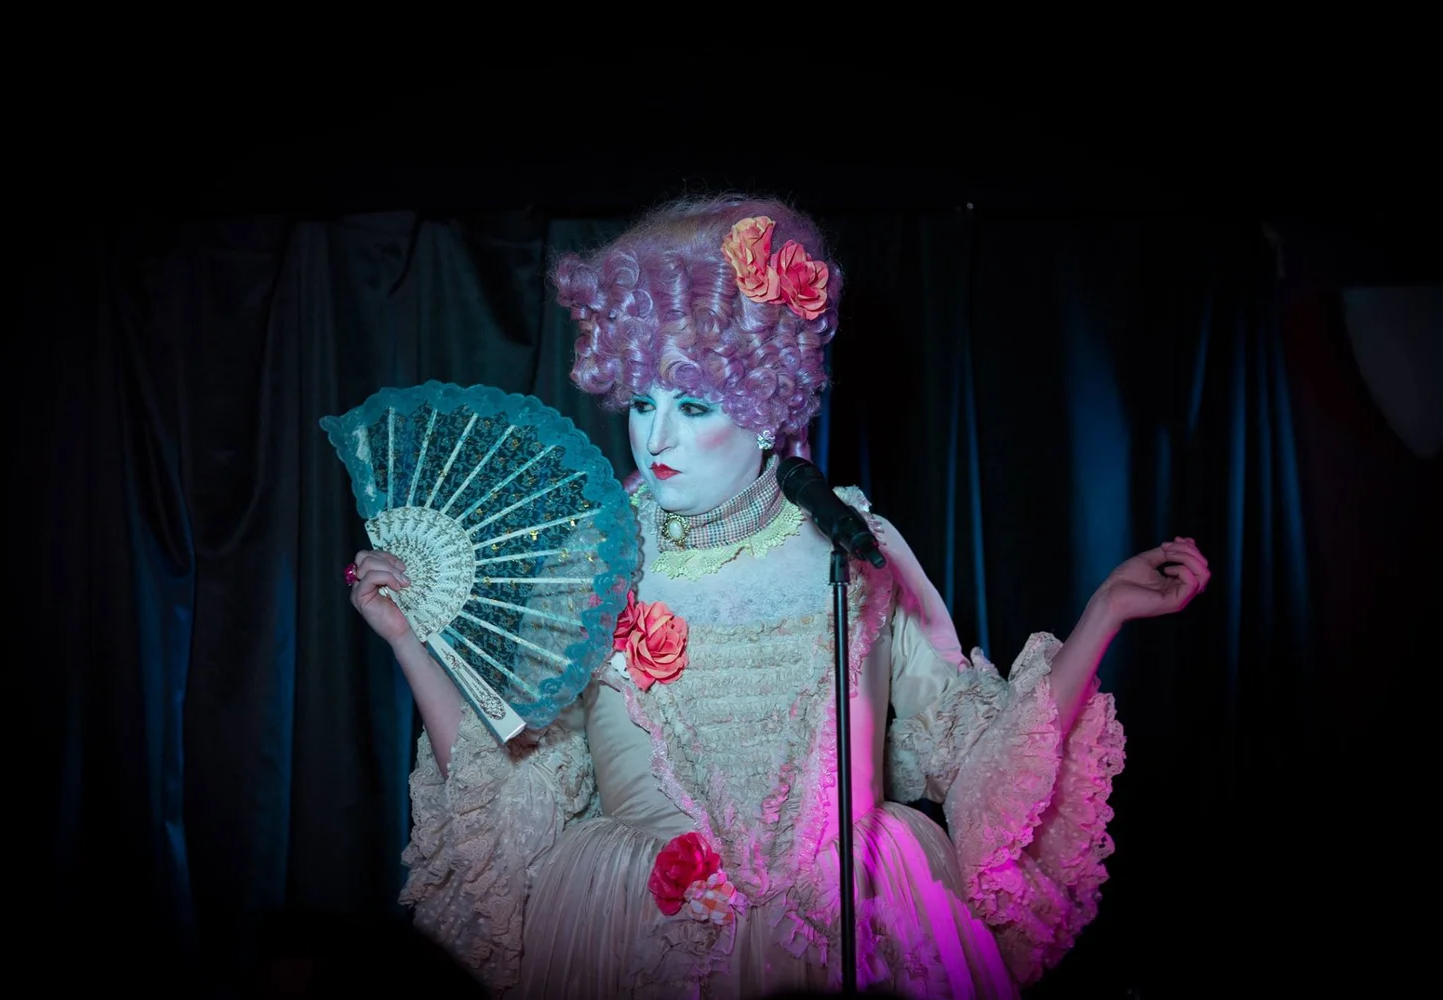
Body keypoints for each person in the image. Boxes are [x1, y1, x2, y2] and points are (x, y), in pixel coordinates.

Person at [344, 195, 1211, 998]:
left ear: (764, 403)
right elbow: (517, 786)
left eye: (692, 404)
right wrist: (408, 642)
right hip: (636, 932)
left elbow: (978, 753)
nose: (655, 438)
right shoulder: (596, 560)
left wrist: (1102, 617)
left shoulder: (856, 546)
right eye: (642, 402)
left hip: (862, 926)